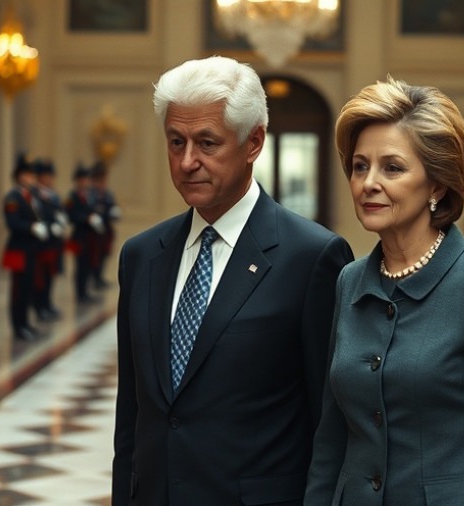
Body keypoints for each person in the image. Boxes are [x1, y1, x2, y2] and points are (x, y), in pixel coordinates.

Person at [111, 56, 353, 506]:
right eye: (176, 142)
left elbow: (330, 422)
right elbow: (133, 416)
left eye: (206, 143)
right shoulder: (142, 256)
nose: (187, 162)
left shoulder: (312, 257)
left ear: (253, 142)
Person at [305, 77, 464, 505]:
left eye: (392, 168)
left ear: (436, 185)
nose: (368, 183)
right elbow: (332, 434)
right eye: (360, 166)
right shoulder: (350, 281)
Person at [1, 153, 47, 341]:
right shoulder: (13, 197)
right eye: (26, 174)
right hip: (19, 249)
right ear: (19, 176)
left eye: (31, 175)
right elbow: (12, 222)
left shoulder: (32, 196)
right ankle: (18, 325)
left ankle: (26, 322)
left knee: (29, 288)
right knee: (19, 290)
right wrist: (31, 227)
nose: (30, 178)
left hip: (32, 250)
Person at [32, 158, 66, 321]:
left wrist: (60, 221)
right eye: (47, 176)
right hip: (41, 244)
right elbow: (36, 216)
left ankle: (47, 303)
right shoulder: (35, 195)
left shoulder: (53, 195)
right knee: (40, 278)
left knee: (50, 276)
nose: (50, 179)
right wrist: (48, 225)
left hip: (54, 243)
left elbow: (59, 212)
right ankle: (39, 306)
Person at [64, 165, 103, 304]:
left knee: (88, 264)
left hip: (90, 236)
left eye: (86, 179)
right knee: (80, 265)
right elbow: (71, 215)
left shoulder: (90, 195)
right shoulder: (72, 196)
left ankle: (85, 291)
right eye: (81, 179)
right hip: (79, 236)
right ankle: (80, 293)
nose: (84, 182)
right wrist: (86, 218)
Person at [89, 161, 120, 289]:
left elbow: (111, 204)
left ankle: (99, 277)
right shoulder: (90, 193)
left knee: (103, 255)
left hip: (106, 229)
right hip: (93, 232)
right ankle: (93, 279)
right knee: (93, 257)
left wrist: (114, 211)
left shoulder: (106, 193)